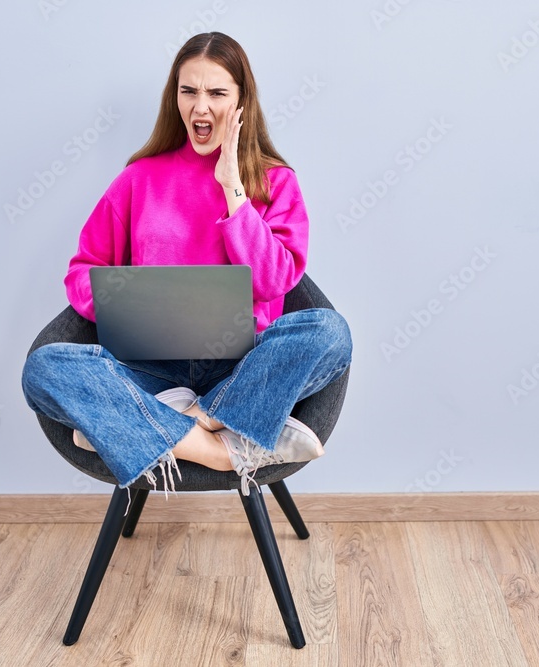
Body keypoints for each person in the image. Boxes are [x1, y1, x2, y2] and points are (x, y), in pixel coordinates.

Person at [21, 32, 352, 497]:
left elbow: (277, 280)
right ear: (174, 96)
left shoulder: (275, 182)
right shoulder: (140, 178)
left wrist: (234, 190)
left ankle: (174, 417)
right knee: (44, 369)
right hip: (151, 367)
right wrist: (134, 302)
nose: (200, 108)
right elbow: (82, 271)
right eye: (188, 91)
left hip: (244, 366)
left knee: (330, 333)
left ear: (241, 103)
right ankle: (218, 446)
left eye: (216, 93)